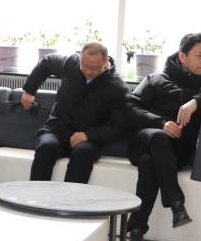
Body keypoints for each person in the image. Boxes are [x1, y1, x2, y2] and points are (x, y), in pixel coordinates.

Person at [125, 32, 201, 241]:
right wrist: (160, 123)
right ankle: (176, 203)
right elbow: (129, 109)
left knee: (150, 163)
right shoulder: (155, 80)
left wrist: (196, 101)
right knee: (158, 139)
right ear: (182, 56)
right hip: (144, 141)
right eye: (199, 55)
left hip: (174, 153)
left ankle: (136, 231)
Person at [20, 42, 129, 184]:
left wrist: (88, 135)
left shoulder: (118, 88)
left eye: (94, 68)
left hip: (88, 138)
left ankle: (70, 198)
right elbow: (46, 62)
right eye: (84, 66)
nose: (88, 71)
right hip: (57, 128)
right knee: (46, 147)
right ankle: (35, 195)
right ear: (80, 58)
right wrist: (29, 90)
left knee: (82, 153)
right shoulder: (71, 63)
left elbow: (120, 127)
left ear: (106, 62)